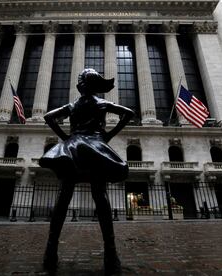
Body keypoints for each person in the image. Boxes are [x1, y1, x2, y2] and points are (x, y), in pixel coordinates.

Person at [39, 68, 134, 274]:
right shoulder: (102, 103)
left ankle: (51, 250)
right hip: (95, 149)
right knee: (100, 195)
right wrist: (107, 136)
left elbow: (48, 117)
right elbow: (129, 114)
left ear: (81, 85)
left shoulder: (72, 105)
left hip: (72, 148)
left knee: (64, 196)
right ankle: (110, 252)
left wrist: (66, 138)